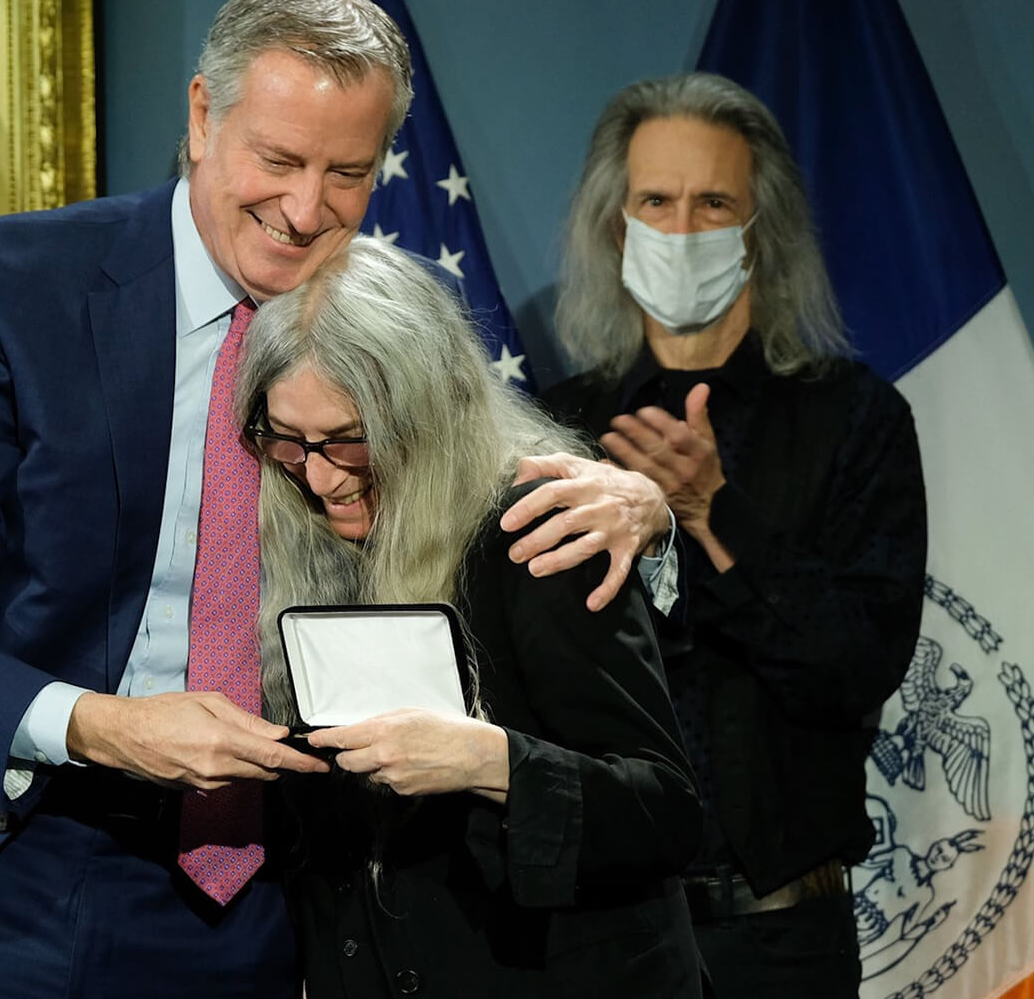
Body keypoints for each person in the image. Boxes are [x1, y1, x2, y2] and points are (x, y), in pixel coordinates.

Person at [0, 0, 673, 999]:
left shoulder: (379, 326)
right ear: (199, 115)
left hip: (247, 898)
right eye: (276, 159)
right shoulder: (12, 286)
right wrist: (101, 724)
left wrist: (647, 507)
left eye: (346, 173)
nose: (305, 210)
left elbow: (491, 493)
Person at [237, 235, 706, 997]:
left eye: (349, 440)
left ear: (427, 412)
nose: (318, 478)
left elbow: (666, 817)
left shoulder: (539, 532)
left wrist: (490, 764)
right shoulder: (292, 546)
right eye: (287, 441)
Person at [543, 72, 929, 998]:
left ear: (762, 230)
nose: (682, 230)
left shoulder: (856, 421)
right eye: (656, 202)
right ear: (614, 225)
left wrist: (715, 514)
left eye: (715, 203)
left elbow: (855, 668)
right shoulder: (553, 433)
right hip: (599, 937)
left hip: (781, 939)